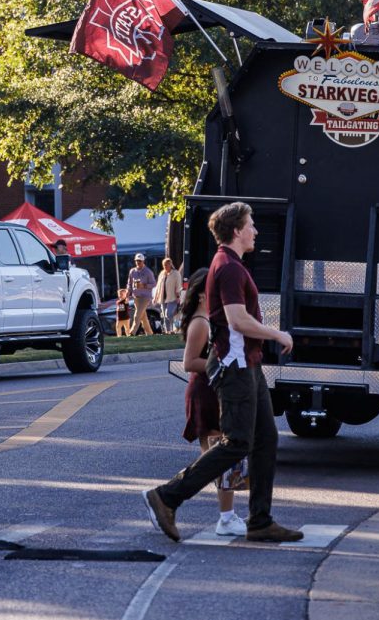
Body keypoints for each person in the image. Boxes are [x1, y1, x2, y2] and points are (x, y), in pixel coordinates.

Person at [143, 201, 302, 543]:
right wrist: (277, 334)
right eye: (251, 225)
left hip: (248, 364)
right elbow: (236, 320)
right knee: (238, 442)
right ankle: (167, 496)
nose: (256, 231)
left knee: (266, 440)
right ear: (236, 230)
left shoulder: (231, 265)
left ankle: (260, 521)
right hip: (235, 367)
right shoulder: (228, 267)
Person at [178, 267, 247, 535]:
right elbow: (188, 362)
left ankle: (226, 515)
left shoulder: (208, 319)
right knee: (223, 457)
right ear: (202, 295)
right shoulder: (200, 323)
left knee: (217, 459)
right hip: (207, 392)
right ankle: (226, 518)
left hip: (214, 389)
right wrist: (222, 364)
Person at [127, 253, 156, 336]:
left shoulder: (148, 272)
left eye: (139, 261)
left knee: (137, 315)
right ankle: (150, 333)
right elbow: (129, 283)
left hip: (145, 297)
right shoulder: (132, 271)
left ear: (143, 261)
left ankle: (132, 332)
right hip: (136, 297)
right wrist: (128, 291)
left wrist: (144, 285)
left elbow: (154, 284)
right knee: (143, 317)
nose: (138, 262)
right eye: (137, 261)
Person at [155, 257, 182, 333]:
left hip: (172, 298)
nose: (165, 267)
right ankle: (168, 331)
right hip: (162, 298)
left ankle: (175, 327)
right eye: (164, 265)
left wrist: (178, 296)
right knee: (164, 315)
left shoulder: (176, 273)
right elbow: (158, 286)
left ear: (170, 265)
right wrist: (156, 296)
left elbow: (178, 285)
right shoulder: (162, 274)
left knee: (168, 314)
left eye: (167, 265)